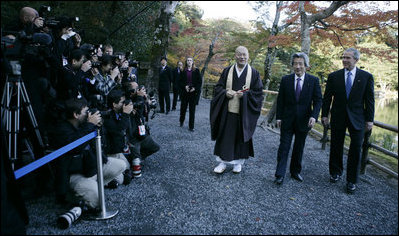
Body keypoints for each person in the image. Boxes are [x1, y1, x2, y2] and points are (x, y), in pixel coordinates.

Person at [50, 97, 126, 210]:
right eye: (86, 112)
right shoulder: (61, 130)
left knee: (121, 165)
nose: (88, 114)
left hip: (89, 167)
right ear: (76, 115)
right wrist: (90, 125)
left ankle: (94, 186)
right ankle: (74, 196)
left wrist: (98, 127)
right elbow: (76, 147)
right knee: (99, 202)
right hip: (74, 174)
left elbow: (101, 146)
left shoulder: (83, 125)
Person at [321, 48, 374, 194]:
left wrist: (370, 120)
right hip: (338, 116)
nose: (344, 60)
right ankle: (335, 172)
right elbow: (327, 98)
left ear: (356, 60)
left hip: (358, 118)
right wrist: (324, 115)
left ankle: (351, 180)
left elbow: (369, 100)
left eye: (348, 58)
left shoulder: (366, 77)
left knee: (356, 149)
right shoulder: (334, 76)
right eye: (343, 57)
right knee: (336, 145)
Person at [210, 46, 264, 174]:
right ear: (235, 56)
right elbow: (218, 88)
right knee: (225, 136)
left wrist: (245, 96)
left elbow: (258, 93)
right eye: (239, 54)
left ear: (248, 56)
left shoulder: (254, 73)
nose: (242, 57)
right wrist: (225, 93)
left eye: (244, 54)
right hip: (227, 111)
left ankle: (238, 164)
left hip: (244, 113)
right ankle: (222, 162)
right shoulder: (227, 71)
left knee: (241, 137)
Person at [273, 52, 322, 185]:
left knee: (299, 147)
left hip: (304, 120)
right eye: (295, 64)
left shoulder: (313, 81)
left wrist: (314, 116)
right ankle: (279, 174)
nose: (298, 66)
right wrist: (279, 117)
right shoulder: (286, 80)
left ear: (306, 66)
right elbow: (281, 101)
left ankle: (295, 171)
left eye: (300, 64)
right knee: (284, 147)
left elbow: (318, 101)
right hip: (287, 120)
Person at [179, 57, 202, 131]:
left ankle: (191, 126)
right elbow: (179, 81)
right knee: (183, 108)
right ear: (186, 62)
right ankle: (181, 121)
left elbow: (199, 82)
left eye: (190, 60)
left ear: (192, 62)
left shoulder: (196, 70)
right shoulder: (183, 70)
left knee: (192, 110)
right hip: (185, 92)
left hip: (193, 92)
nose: (189, 62)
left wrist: (195, 88)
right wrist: (184, 86)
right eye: (188, 60)